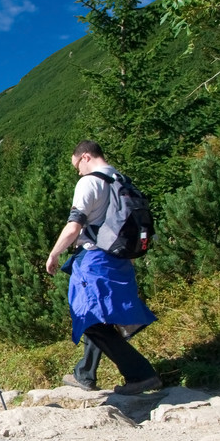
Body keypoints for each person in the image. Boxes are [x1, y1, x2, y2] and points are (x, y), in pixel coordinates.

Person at [45, 140, 162, 395]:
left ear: (85, 157)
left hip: (94, 259)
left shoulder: (89, 182)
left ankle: (141, 375)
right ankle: (84, 374)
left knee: (90, 320)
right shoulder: (121, 179)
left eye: (76, 165)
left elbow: (74, 225)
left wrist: (54, 253)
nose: (77, 171)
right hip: (119, 258)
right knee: (99, 316)